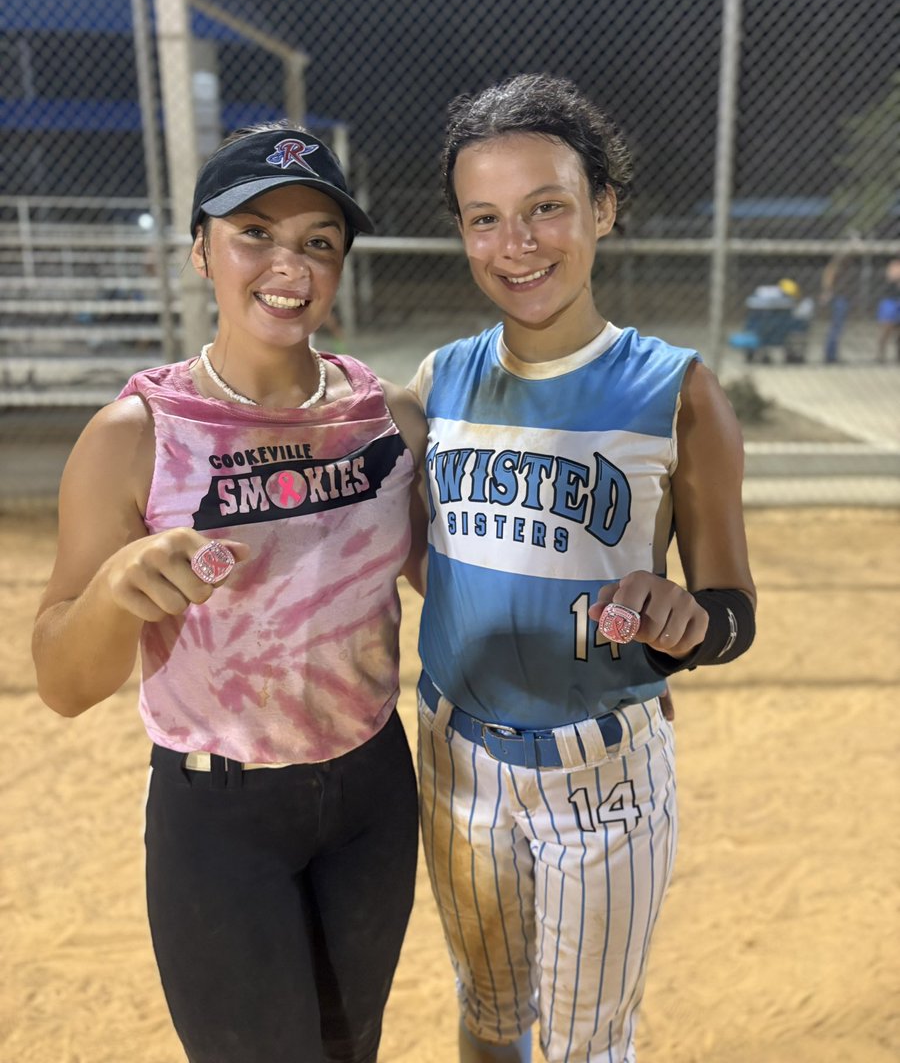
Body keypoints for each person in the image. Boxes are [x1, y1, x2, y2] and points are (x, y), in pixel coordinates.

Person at [32, 124, 427, 1063]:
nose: (287, 263)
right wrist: (119, 591)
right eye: (254, 231)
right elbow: (61, 680)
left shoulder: (387, 419)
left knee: (349, 1048)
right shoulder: (138, 433)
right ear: (201, 251)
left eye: (318, 241)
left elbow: (448, 582)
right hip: (220, 815)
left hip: (372, 792)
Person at [408, 74, 757, 1063]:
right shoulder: (438, 383)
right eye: (486, 218)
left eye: (546, 207)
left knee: (586, 1045)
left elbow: (731, 610)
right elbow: (411, 546)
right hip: (454, 760)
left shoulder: (676, 389)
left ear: (602, 208)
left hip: (599, 780)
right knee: (486, 1017)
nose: (516, 244)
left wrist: (681, 618)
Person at [820, 233, 860, 364]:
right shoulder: (841, 258)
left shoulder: (847, 259)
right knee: (836, 326)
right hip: (838, 296)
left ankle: (832, 354)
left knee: (838, 326)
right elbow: (830, 273)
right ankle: (830, 355)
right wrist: (828, 291)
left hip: (842, 296)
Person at [875, 258, 900, 364]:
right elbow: (893, 277)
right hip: (890, 300)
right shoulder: (894, 264)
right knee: (886, 329)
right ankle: (880, 356)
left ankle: (898, 356)